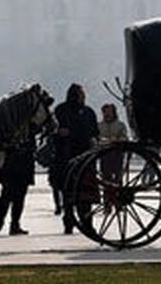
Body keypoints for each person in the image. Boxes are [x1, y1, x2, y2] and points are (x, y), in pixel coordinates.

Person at [51, 83, 98, 234]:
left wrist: (94, 140)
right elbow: (52, 131)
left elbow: (94, 132)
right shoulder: (60, 110)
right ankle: (69, 222)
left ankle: (87, 223)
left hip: (86, 157)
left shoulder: (88, 112)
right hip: (66, 156)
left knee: (86, 195)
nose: (83, 97)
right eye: (81, 94)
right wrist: (59, 133)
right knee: (68, 193)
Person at [0, 133, 34, 235]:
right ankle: (4, 224)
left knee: (15, 197)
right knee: (9, 196)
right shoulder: (14, 127)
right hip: (13, 164)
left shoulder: (26, 127)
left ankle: (7, 224)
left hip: (18, 164)